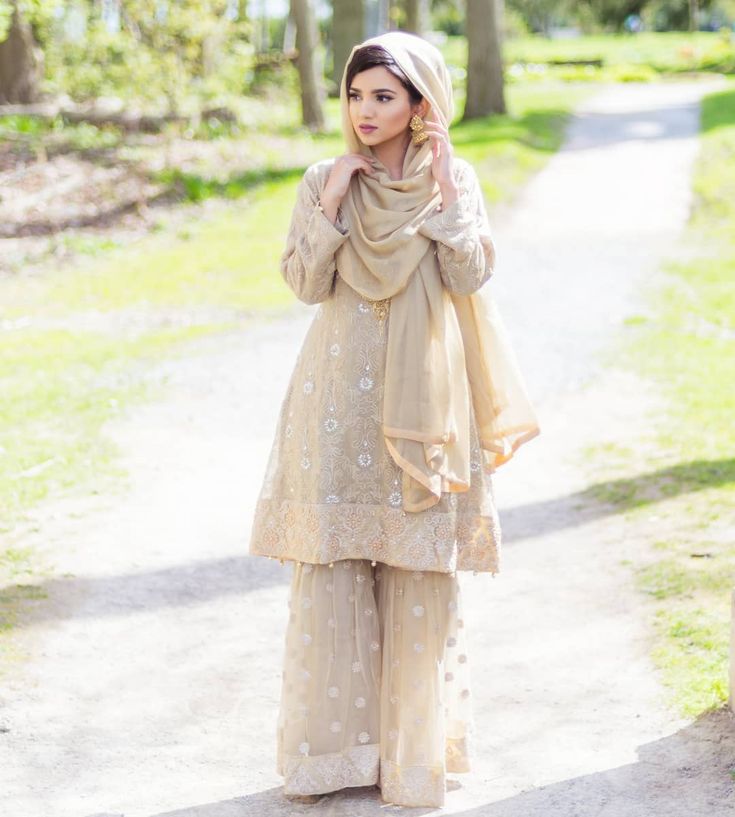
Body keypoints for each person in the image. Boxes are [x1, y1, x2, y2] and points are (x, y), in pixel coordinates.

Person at [248, 30, 540, 808]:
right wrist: (336, 198)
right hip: (337, 398)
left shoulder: (452, 178)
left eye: (384, 96)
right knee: (337, 567)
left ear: (421, 106)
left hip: (426, 397)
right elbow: (305, 284)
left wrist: (443, 184)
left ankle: (412, 758)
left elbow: (467, 273)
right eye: (354, 95)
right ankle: (334, 756)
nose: (364, 110)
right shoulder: (323, 177)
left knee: (416, 569)